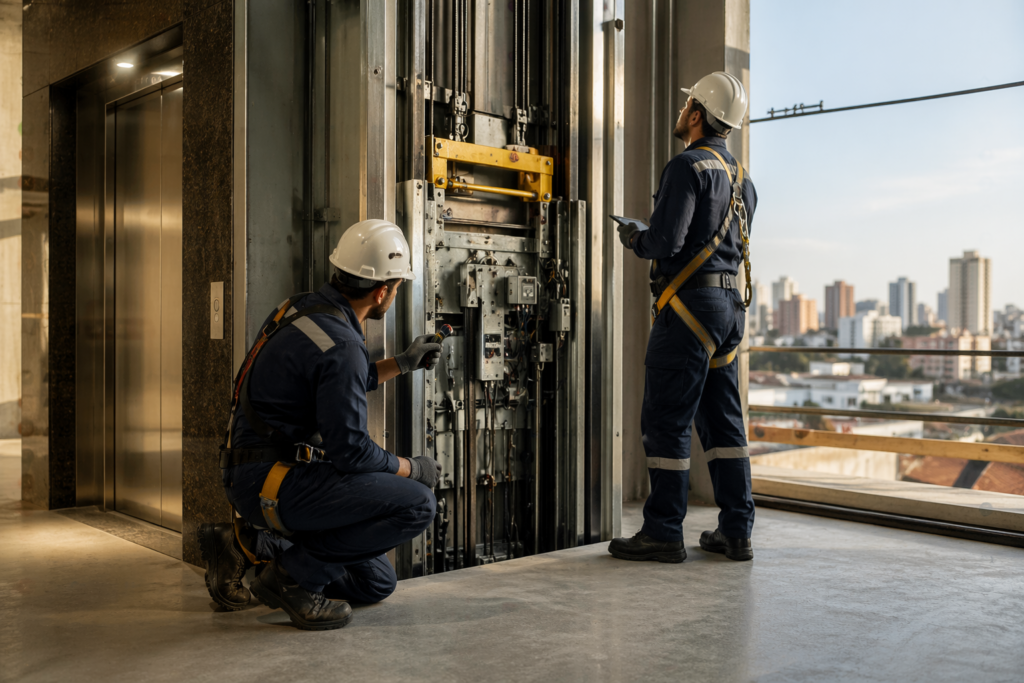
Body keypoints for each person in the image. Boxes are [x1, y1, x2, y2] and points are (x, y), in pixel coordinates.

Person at [198, 219, 443, 630]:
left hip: (250, 468)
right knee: (418, 503)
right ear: (382, 291)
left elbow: (342, 378)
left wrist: (402, 363)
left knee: (376, 583)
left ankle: (247, 545)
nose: (394, 295)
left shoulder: (300, 308)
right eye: (397, 288)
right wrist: (413, 468)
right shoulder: (343, 343)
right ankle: (292, 580)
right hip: (271, 481)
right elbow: (352, 453)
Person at [609, 72, 758, 564]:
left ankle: (663, 531)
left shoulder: (687, 167)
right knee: (724, 424)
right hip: (727, 313)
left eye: (686, 104)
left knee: (667, 422)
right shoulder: (744, 182)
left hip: (688, 311)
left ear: (696, 113)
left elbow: (667, 243)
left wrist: (636, 237)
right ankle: (736, 530)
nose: (681, 112)